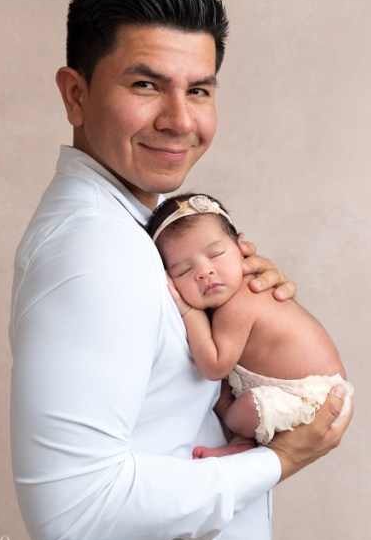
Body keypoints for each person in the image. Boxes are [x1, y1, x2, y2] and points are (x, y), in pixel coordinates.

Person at [9, 0, 353, 540]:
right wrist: (277, 462)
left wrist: (245, 305)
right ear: (75, 94)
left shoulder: (147, 224)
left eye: (198, 90)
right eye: (146, 85)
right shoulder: (96, 254)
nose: (180, 120)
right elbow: (68, 508)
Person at [147, 193, 354, 459]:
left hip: (312, 399)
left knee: (245, 407)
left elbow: (214, 366)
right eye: (184, 271)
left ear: (241, 247)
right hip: (301, 390)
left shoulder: (241, 301)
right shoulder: (234, 295)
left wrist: (189, 312)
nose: (204, 272)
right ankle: (242, 442)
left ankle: (234, 424)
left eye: (216, 254)